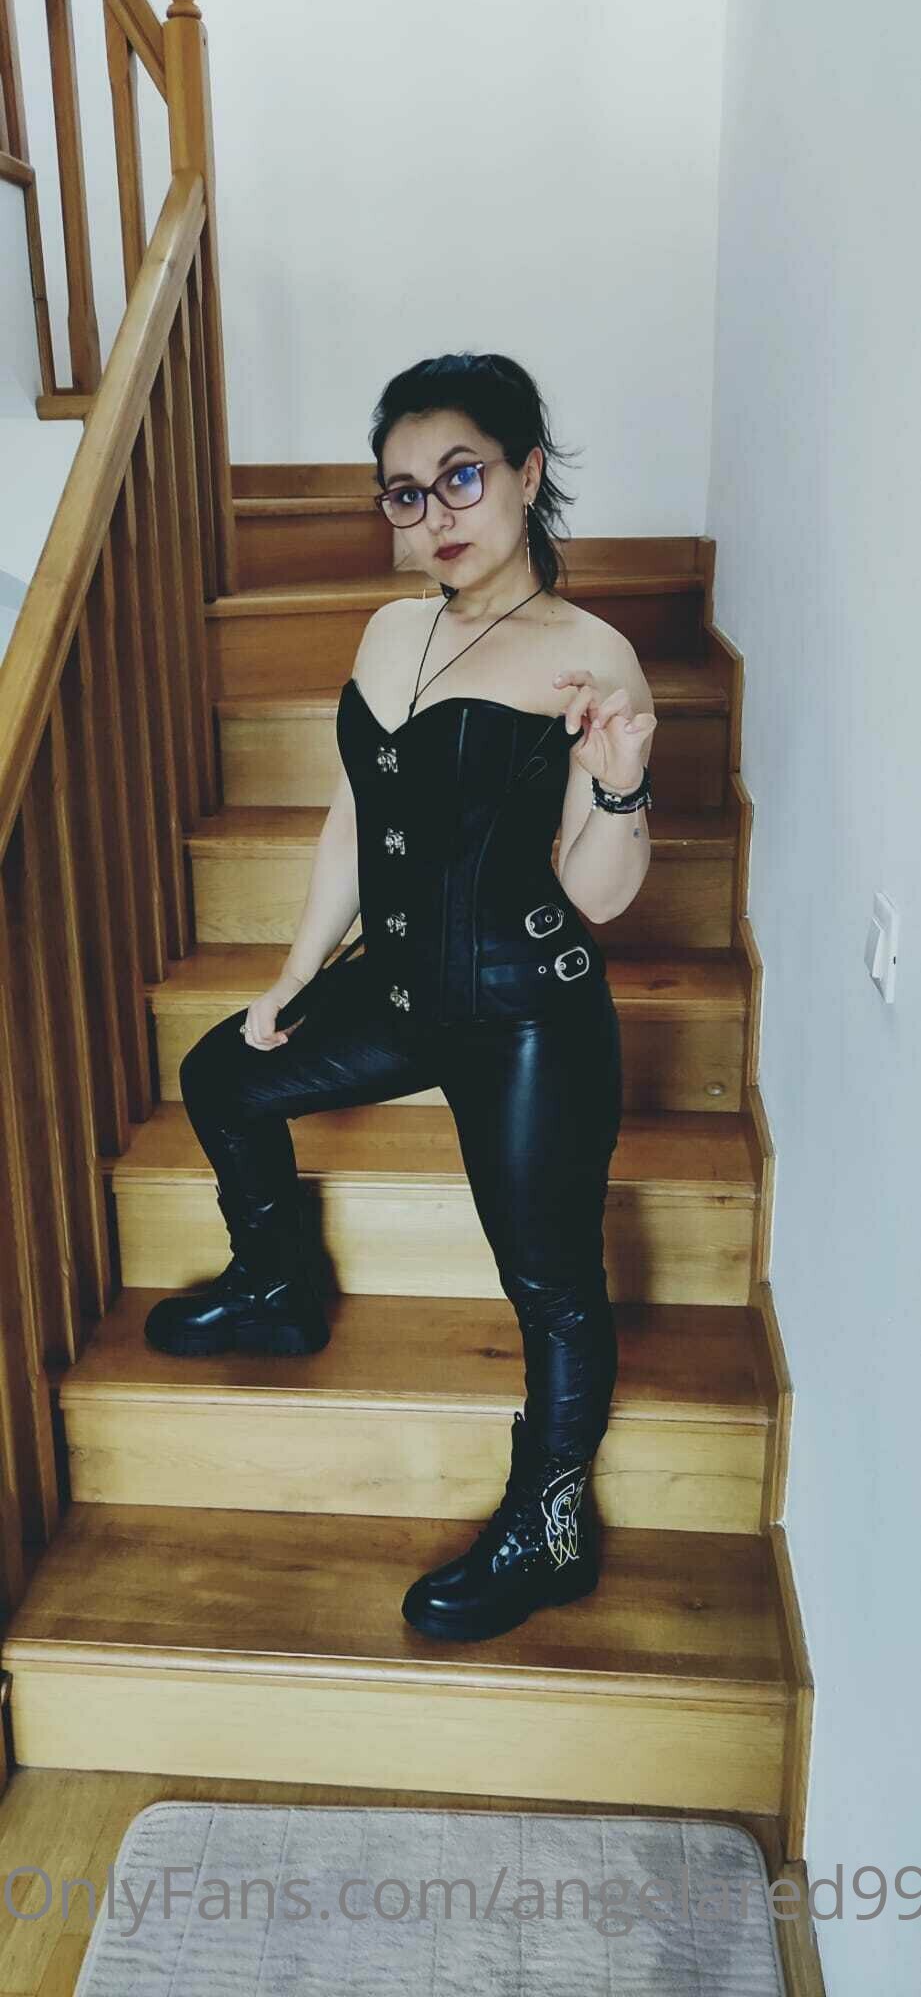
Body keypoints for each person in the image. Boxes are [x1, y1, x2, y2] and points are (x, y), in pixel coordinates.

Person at [144, 352, 656, 1644]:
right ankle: (278, 1286)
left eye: (461, 477)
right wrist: (294, 974)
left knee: (548, 1282)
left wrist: (619, 780)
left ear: (527, 473)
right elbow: (351, 821)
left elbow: (598, 894)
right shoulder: (390, 630)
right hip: (402, 985)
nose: (434, 515)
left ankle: (549, 1530)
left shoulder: (588, 657)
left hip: (525, 1009)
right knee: (221, 1074)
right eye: (405, 492)